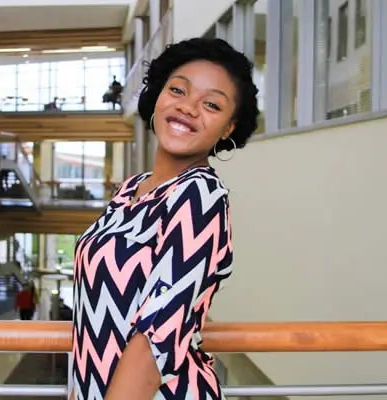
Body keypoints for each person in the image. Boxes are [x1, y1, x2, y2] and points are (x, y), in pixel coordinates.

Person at [70, 38, 259, 400]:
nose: (188, 107)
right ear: (158, 95)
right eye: (178, 90)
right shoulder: (131, 190)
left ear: (228, 129)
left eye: (211, 104)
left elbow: (155, 340)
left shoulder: (201, 197)